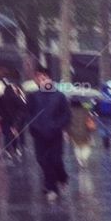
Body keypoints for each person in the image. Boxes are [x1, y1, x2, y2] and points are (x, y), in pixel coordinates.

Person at [26, 65, 71, 201]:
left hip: (55, 134)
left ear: (50, 79)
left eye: (44, 77)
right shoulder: (33, 96)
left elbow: (66, 115)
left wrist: (57, 126)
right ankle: (51, 187)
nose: (42, 80)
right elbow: (29, 114)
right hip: (39, 134)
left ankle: (62, 177)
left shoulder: (59, 96)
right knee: (43, 160)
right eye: (39, 78)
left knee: (56, 160)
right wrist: (34, 126)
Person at [67, 96, 96, 168]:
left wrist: (67, 132)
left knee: (77, 146)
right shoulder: (85, 110)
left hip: (73, 132)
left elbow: (67, 123)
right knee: (86, 146)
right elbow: (90, 119)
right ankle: (84, 158)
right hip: (85, 131)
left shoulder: (69, 111)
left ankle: (79, 159)